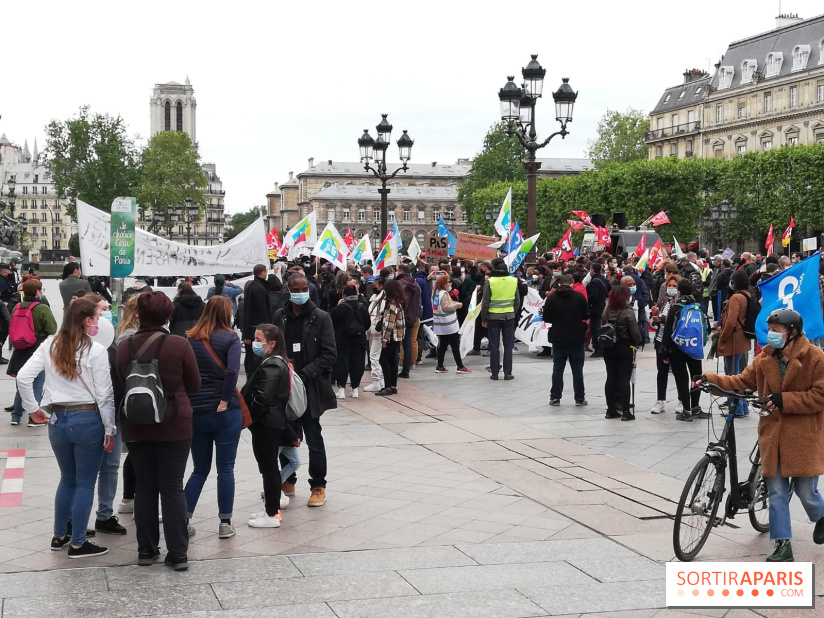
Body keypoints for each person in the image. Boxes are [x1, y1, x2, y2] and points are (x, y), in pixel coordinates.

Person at [695, 309, 824, 562]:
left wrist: (784, 400)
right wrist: (709, 380)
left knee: (806, 492)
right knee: (776, 493)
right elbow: (741, 381)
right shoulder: (765, 358)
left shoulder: (815, 358)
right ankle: (782, 546)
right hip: (773, 435)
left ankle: (821, 515)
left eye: (777, 331)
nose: (771, 335)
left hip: (803, 437)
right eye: (771, 330)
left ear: (793, 333)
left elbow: (820, 396)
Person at [17, 298, 115, 558]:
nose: (99, 322)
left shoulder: (50, 344)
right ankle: (79, 543)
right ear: (86, 320)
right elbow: (105, 395)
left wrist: (33, 408)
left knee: (67, 480)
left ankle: (60, 535)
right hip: (87, 419)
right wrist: (110, 428)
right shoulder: (95, 350)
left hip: (58, 420)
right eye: (96, 316)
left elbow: (25, 377)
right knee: (85, 482)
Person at [115, 292, 201, 570]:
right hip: (175, 423)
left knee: (145, 486)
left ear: (138, 314)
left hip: (136, 424)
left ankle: (146, 550)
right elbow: (195, 384)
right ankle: (178, 554)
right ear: (168, 316)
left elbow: (120, 384)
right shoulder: (178, 344)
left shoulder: (124, 346)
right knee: (173, 487)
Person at [272, 274, 337, 507]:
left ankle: (318, 486)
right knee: (285, 434)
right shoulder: (280, 316)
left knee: (313, 436)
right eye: (295, 288)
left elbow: (329, 354)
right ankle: (287, 480)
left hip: (310, 387)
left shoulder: (321, 317)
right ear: (288, 290)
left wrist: (304, 373)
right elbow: (273, 346)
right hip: (284, 386)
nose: (300, 291)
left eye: (304, 288)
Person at [184, 296, 243, 539]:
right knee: (226, 468)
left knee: (199, 469)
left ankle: (183, 518)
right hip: (225, 412)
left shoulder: (191, 338)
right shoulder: (231, 338)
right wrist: (225, 399)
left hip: (197, 410)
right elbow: (232, 370)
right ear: (226, 313)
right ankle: (225, 523)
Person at [241, 324, 295, 528]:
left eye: (258, 339)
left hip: (266, 423)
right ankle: (271, 509)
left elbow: (263, 397)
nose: (255, 343)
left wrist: (251, 416)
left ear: (271, 344)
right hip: (270, 422)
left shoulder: (272, 365)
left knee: (269, 468)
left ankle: (272, 514)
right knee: (269, 467)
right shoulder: (275, 362)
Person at [8, 278, 56, 426]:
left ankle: (15, 416)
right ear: (37, 292)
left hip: (20, 349)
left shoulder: (17, 307)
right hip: (36, 347)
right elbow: (52, 329)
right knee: (36, 383)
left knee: (21, 383)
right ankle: (33, 417)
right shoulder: (42, 308)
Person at [660, 279, 706, 422]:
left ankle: (686, 410)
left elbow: (667, 331)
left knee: (682, 379)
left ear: (679, 292)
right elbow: (706, 329)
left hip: (677, 349)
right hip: (694, 349)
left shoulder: (675, 309)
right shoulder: (698, 308)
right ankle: (696, 407)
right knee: (696, 378)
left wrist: (665, 350)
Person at [113, 295, 140, 515]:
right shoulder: (130, 336)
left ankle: (129, 497)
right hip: (134, 401)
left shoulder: (128, 332)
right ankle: (129, 498)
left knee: (135, 452)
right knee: (137, 452)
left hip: (132, 400)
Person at [544, 274, 589, 406]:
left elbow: (546, 317)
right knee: (577, 369)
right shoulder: (579, 297)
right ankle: (579, 398)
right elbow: (586, 314)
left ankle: (555, 397)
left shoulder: (552, 298)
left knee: (558, 368)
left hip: (558, 336)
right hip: (576, 336)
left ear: (558, 284)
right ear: (572, 284)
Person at [601, 285, 642, 420]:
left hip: (608, 348)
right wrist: (639, 340)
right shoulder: (627, 312)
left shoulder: (607, 310)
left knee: (610, 377)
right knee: (624, 379)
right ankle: (625, 412)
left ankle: (610, 410)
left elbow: (603, 323)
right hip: (624, 348)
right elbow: (635, 333)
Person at [716, 269, 752, 417]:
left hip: (733, 340)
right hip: (742, 339)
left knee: (731, 374)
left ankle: (735, 408)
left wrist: (722, 337)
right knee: (737, 373)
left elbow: (731, 322)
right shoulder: (747, 295)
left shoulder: (736, 297)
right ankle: (742, 406)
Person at [329, 282, 371, 398]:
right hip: (359, 340)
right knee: (357, 364)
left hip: (342, 341)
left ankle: (341, 390)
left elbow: (331, 322)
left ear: (344, 295)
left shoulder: (340, 308)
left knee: (342, 364)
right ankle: (355, 389)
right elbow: (367, 323)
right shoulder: (362, 307)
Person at [481, 258, 519, 380]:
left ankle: (495, 373)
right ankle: (508, 373)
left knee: (494, 345)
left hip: (493, 317)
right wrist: (512, 312)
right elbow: (517, 301)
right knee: (508, 345)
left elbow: (485, 302)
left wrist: (484, 318)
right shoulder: (514, 281)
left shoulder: (490, 281)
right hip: (509, 316)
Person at [650, 274, 680, 414]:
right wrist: (655, 317)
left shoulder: (680, 303)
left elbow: (673, 321)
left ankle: (682, 400)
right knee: (661, 371)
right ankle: (660, 400)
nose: (671, 288)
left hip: (675, 341)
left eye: (674, 286)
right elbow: (657, 321)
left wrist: (661, 318)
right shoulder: (664, 302)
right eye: (669, 286)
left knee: (678, 371)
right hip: (661, 340)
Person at [373, 278, 406, 396]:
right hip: (397, 336)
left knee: (383, 360)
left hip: (391, 337)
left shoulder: (392, 304)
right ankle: (393, 385)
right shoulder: (399, 302)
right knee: (392, 361)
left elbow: (389, 324)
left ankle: (387, 386)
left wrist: (384, 339)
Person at [431, 273, 469, 374]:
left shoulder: (436, 292)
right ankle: (460, 366)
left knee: (443, 345)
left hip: (441, 325)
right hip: (449, 325)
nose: (450, 284)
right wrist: (457, 305)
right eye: (448, 282)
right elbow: (446, 307)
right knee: (455, 345)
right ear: (443, 284)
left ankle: (440, 366)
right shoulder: (444, 294)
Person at [240, 265, 272, 374]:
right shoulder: (260, 288)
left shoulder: (252, 286)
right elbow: (262, 310)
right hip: (257, 328)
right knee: (256, 358)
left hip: (250, 328)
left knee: (250, 357)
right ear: (263, 273)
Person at [395, 263, 421, 378]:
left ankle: (397, 368)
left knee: (396, 343)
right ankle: (406, 369)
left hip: (401, 316)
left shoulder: (400, 284)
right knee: (408, 343)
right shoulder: (415, 284)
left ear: (400, 271)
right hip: (412, 315)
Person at [364, 278, 386, 392]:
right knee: (374, 356)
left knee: (374, 356)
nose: (373, 287)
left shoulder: (383, 300)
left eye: (375, 285)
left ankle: (377, 380)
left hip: (377, 331)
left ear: (381, 286)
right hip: (372, 330)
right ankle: (379, 379)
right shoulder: (376, 299)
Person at [586, 263, 610, 358]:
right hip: (603, 306)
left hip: (595, 308)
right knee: (598, 327)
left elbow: (593, 296)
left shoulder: (594, 282)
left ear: (592, 270)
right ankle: (600, 347)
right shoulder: (604, 280)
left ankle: (598, 348)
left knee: (596, 328)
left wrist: (588, 299)